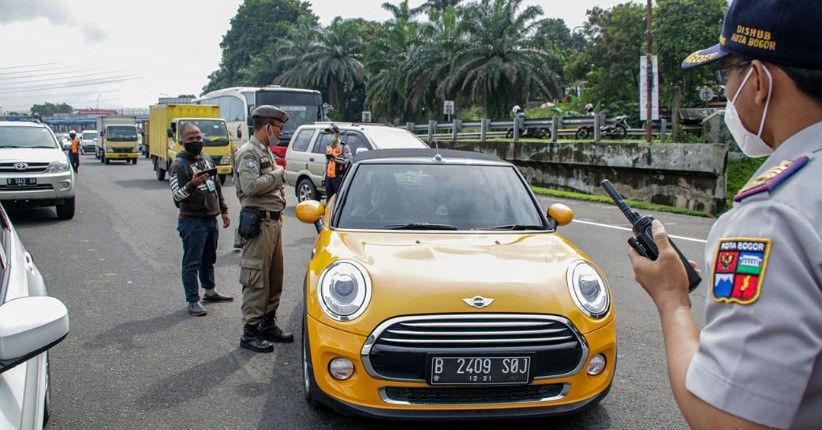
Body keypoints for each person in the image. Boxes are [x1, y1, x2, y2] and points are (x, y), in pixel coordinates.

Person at [629, 1, 822, 429]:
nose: (728, 91)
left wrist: (671, 299)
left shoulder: (773, 216)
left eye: (727, 72)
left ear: (759, 81)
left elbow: (725, 420)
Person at [234, 105, 294, 353]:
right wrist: (278, 175)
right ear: (267, 127)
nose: (280, 133)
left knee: (274, 277)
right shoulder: (248, 152)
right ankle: (250, 332)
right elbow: (250, 186)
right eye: (278, 128)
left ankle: (267, 323)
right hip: (258, 224)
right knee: (256, 277)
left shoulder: (264, 150)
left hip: (272, 222)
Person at [170, 122, 234, 317]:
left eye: (198, 137)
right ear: (182, 142)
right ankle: (193, 300)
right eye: (191, 139)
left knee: (209, 258)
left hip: (210, 218)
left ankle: (210, 291)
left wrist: (224, 210)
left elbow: (216, 186)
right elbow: (177, 197)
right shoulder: (178, 166)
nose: (196, 141)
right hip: (192, 221)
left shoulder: (206, 159)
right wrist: (192, 184)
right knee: (192, 263)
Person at [323, 124, 352, 204]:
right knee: (329, 200)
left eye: (332, 133)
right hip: (329, 177)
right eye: (328, 133)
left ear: (338, 134)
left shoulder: (344, 146)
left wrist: (336, 159)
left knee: (338, 200)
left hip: (338, 178)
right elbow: (326, 162)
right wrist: (324, 177)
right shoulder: (328, 146)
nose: (330, 135)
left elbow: (349, 160)